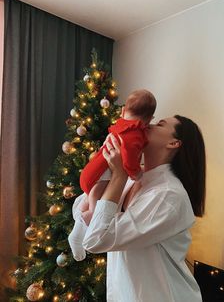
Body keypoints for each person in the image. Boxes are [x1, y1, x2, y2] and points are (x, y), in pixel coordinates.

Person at [70, 114, 206, 302]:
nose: (148, 124)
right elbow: (80, 205)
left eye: (160, 124)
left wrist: (118, 176)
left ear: (174, 143)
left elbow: (95, 240)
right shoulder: (134, 180)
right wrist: (107, 166)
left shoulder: (168, 196)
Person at [68, 89, 156, 261]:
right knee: (95, 212)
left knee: (90, 200)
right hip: (101, 174)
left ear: (123, 111)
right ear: (148, 120)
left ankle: (79, 226)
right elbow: (129, 158)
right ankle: (78, 232)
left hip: (93, 172)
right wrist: (135, 172)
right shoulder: (135, 134)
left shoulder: (120, 126)